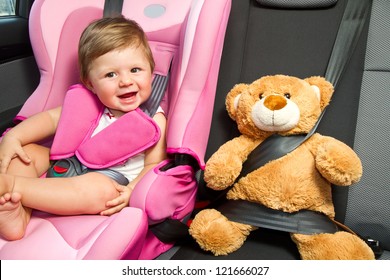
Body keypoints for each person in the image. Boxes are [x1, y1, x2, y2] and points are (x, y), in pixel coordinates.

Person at [0, 17, 167, 241]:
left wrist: (131, 191)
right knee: (26, 154)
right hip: (66, 163)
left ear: (151, 71)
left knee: (102, 191)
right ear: (90, 83)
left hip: (109, 179)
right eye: (111, 74)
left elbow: (154, 164)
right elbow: (49, 119)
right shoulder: (87, 104)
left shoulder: (153, 120)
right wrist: (14, 137)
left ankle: (11, 186)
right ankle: (17, 213)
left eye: (135, 70)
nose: (126, 81)